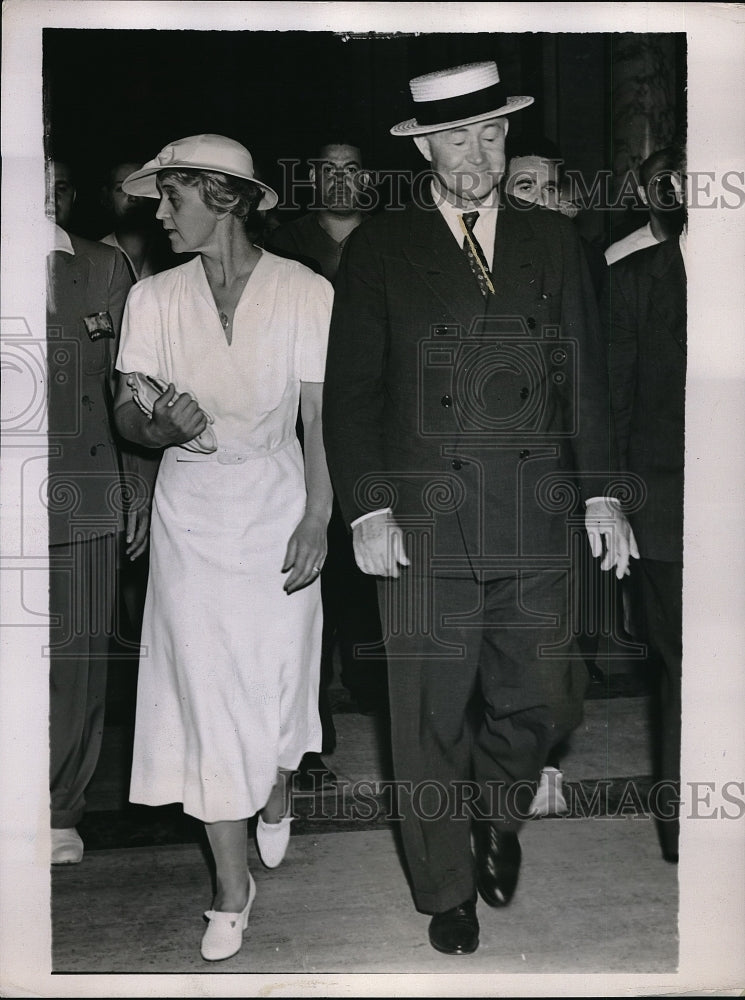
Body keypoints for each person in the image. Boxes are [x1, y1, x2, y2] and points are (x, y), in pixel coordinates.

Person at [323, 59, 637, 956]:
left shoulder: (552, 240)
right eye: (457, 136)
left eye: (492, 132)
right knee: (424, 716)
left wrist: (603, 493)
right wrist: (367, 509)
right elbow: (351, 394)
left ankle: (497, 813)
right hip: (424, 523)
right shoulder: (381, 247)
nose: (478, 152)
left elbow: (585, 382)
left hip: (535, 512)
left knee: (546, 697)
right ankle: (444, 889)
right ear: (423, 145)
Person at [112, 134, 334, 962]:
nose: (159, 214)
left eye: (173, 198)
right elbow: (128, 414)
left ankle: (277, 784)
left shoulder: (306, 291)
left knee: (277, 684)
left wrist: (318, 515)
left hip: (279, 500)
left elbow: (319, 421)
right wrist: (158, 425)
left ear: (225, 198)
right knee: (207, 695)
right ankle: (229, 889)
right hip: (191, 515)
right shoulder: (154, 298)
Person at [267, 137, 388, 791]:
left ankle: (382, 700)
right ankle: (307, 737)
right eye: (327, 169)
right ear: (309, 177)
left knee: (368, 577)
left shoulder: (395, 240)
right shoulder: (281, 246)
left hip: (375, 428)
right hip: (303, 431)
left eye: (352, 168)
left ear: (367, 179)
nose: (340, 179)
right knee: (306, 584)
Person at [503, 135, 611, 818]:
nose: (538, 203)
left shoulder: (589, 270)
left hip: (575, 480)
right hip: (496, 480)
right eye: (522, 189)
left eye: (548, 188)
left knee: (562, 631)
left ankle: (541, 754)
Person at [46, 159, 149, 865]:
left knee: (78, 660)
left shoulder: (104, 267)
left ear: (67, 192)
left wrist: (138, 486)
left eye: (53, 181)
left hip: (84, 492)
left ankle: (59, 808)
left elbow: (133, 384)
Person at [604, 145, 687, 863]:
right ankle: (692, 832)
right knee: (690, 669)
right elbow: (613, 406)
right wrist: (614, 502)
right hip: (670, 516)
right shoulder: (635, 281)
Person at [604, 146, 686, 265]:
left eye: (678, 181)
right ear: (643, 195)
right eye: (661, 181)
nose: (672, 188)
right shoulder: (620, 255)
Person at [99, 160, 169, 282]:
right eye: (121, 189)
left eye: (140, 188)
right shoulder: (94, 255)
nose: (132, 197)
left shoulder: (171, 252)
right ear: (107, 197)